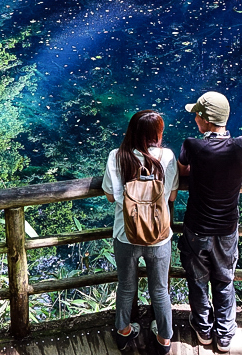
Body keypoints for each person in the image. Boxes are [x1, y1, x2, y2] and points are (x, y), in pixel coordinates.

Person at [177, 92, 242, 353]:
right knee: (224, 280)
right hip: (227, 229)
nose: (195, 118)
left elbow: (181, 171)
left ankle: (203, 331)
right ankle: (225, 335)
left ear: (205, 120)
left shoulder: (192, 145)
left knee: (197, 281)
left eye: (197, 114)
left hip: (197, 228)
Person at [102, 110, 179, 354]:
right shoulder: (166, 156)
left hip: (126, 234)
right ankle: (165, 338)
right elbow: (173, 195)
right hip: (159, 237)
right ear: (157, 133)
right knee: (160, 289)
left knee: (126, 285)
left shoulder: (117, 156)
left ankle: (123, 331)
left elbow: (111, 195)